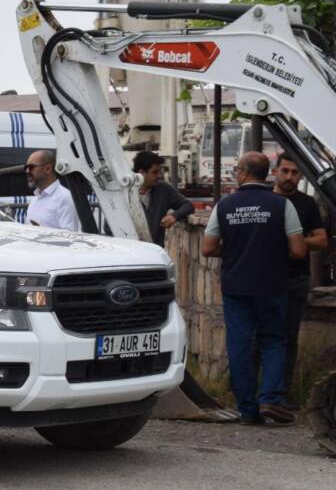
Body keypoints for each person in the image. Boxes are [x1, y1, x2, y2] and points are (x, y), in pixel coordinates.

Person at [201, 152, 307, 426]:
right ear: (267, 173)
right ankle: (271, 399)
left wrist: (236, 250)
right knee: (273, 340)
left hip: (236, 286)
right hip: (272, 284)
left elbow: (208, 248)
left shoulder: (224, 206)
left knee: (239, 345)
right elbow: (298, 250)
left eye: (237, 169)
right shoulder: (282, 205)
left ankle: (247, 410)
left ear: (244, 173)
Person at [273, 152, 329, 397]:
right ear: (275, 171)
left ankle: (282, 394)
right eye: (285, 171)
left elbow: (321, 240)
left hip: (296, 280)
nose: (289, 177)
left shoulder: (307, 204)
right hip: (265, 280)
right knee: (257, 340)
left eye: (295, 173)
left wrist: (296, 241)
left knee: (288, 339)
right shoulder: (264, 200)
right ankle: (252, 394)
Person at [134, 150, 194, 246]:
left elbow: (188, 205)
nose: (159, 176)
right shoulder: (125, 193)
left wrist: (174, 216)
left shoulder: (163, 189)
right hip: (130, 253)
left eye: (160, 171)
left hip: (155, 253)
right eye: (155, 172)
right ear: (141, 173)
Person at [24, 150, 80, 231]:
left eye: (31, 167)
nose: (27, 171)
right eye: (26, 168)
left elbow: (69, 237)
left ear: (47, 168)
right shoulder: (35, 199)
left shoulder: (65, 198)